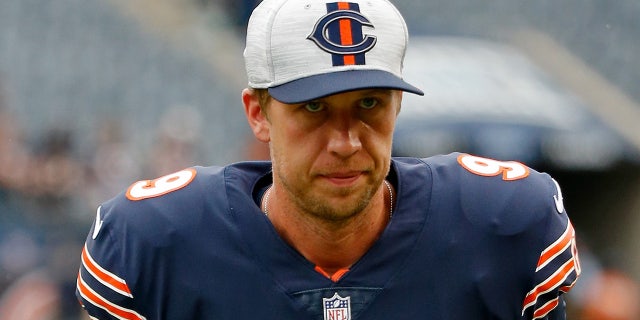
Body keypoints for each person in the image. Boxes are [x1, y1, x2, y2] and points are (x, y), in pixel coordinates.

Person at [75, 0, 581, 319]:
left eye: (369, 104)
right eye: (314, 107)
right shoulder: (151, 243)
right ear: (259, 113)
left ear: (398, 105)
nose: (345, 141)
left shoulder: (505, 224)